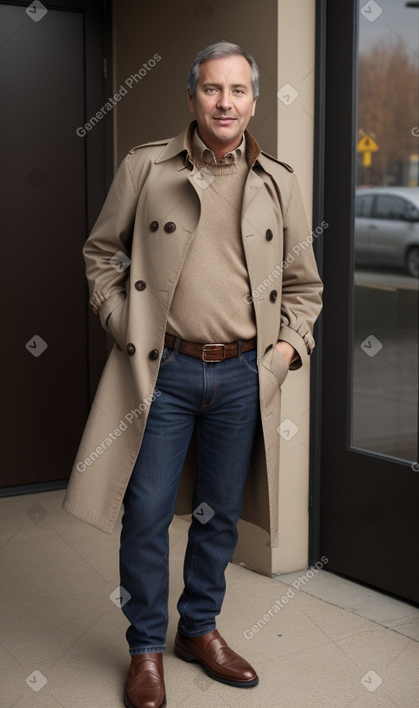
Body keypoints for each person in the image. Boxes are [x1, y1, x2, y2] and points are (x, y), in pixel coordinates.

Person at [63, 41, 323, 708]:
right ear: (192, 98)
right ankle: (146, 646)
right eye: (212, 90)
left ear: (254, 101)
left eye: (238, 91)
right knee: (145, 513)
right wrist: (127, 326)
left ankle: (199, 630)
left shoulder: (280, 181)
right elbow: (100, 254)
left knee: (219, 518)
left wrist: (282, 358)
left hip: (243, 375)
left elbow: (304, 288)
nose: (225, 102)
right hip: (164, 374)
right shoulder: (146, 167)